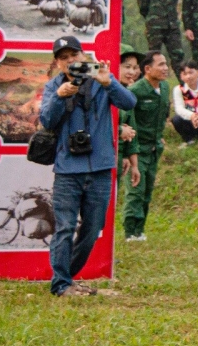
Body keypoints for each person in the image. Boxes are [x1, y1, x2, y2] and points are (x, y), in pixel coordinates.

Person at [38, 35, 138, 295]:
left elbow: (129, 103)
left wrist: (109, 83)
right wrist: (60, 96)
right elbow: (47, 121)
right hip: (68, 169)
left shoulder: (101, 80)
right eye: (63, 57)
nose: (70, 61)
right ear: (58, 63)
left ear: (84, 56)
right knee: (65, 227)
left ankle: (66, 276)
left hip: (101, 168)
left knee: (93, 228)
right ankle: (61, 284)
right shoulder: (54, 86)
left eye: (74, 55)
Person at [121, 51, 171, 242]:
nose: (165, 68)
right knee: (135, 191)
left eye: (166, 64)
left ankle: (140, 231)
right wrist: (128, 152)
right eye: (161, 65)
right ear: (147, 69)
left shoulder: (165, 88)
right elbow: (127, 120)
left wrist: (160, 138)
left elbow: (163, 115)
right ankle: (130, 232)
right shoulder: (135, 91)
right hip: (137, 149)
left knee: (148, 191)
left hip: (154, 149)